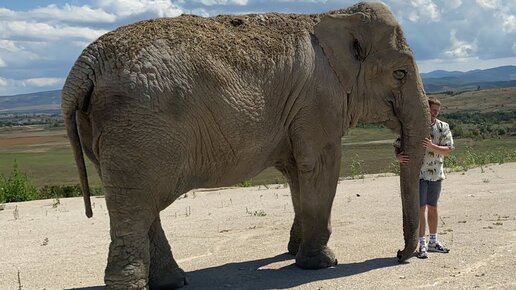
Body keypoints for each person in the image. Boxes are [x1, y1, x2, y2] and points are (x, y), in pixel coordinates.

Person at [394, 96, 454, 259]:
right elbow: (398, 145)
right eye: (432, 110)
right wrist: (398, 157)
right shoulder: (414, 126)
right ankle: (422, 244)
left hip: (436, 174)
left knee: (432, 207)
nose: (434, 113)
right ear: (425, 109)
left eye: (436, 111)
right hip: (418, 175)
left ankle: (433, 241)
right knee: (421, 209)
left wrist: (432, 146)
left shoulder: (443, 127)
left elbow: (448, 150)